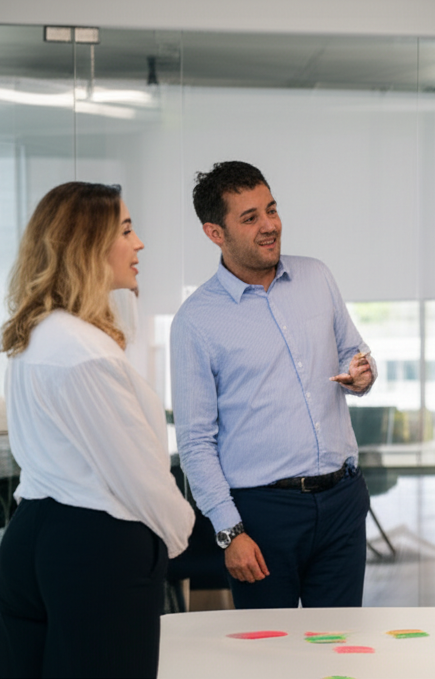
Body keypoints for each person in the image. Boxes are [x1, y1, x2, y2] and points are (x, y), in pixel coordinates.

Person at [0, 182, 194, 678]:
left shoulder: (34, 337)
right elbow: (138, 473)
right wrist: (180, 532)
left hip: (29, 538)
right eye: (126, 230)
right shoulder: (84, 351)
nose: (139, 243)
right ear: (86, 245)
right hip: (96, 550)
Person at [170, 161, 374, 609]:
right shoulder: (195, 321)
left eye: (272, 209)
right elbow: (195, 442)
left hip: (342, 501)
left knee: (340, 641)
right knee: (270, 645)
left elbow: (354, 352)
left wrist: (362, 373)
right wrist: (230, 532)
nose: (270, 225)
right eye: (250, 218)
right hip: (261, 517)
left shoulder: (317, 276)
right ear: (215, 233)